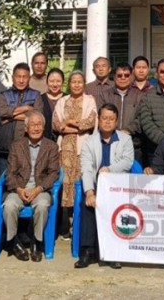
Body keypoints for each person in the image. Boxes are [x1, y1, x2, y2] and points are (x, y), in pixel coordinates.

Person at [75, 103, 135, 269]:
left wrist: (109, 169)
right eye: (104, 118)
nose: (107, 122)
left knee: (116, 209)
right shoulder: (89, 142)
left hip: (117, 187)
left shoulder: (125, 139)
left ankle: (112, 252)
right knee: (87, 206)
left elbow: (127, 162)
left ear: (116, 121)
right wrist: (89, 192)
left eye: (111, 119)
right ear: (98, 120)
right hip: (96, 186)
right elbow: (86, 168)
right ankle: (87, 251)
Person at [4, 110, 60, 262]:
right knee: (9, 206)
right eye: (33, 125)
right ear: (26, 128)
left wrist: (39, 189)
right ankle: (14, 242)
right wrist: (18, 189)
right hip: (20, 188)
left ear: (44, 126)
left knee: (42, 205)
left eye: (39, 125)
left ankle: (36, 241)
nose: (36, 128)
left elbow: (54, 173)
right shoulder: (16, 146)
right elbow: (10, 172)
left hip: (40, 189)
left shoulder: (51, 147)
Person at [52, 70, 98, 235]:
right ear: (69, 84)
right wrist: (72, 124)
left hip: (83, 149)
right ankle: (68, 225)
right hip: (64, 149)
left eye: (80, 82)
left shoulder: (89, 100)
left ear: (84, 84)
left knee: (81, 183)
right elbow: (57, 124)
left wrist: (69, 123)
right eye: (73, 82)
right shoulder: (62, 101)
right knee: (66, 185)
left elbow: (89, 122)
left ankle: (80, 225)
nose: (76, 84)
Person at [0, 62, 41, 176]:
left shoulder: (35, 95)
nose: (21, 80)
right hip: (5, 147)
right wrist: (25, 108)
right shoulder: (4, 95)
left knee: (23, 180)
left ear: (29, 78)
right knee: (3, 180)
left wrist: (10, 117)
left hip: (27, 146)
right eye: (18, 76)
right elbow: (1, 112)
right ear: (13, 78)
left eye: (24, 77)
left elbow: (37, 115)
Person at [97, 62, 145, 161]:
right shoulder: (104, 95)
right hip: (108, 143)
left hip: (133, 144)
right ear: (114, 77)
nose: (123, 78)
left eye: (126, 75)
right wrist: (114, 133)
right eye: (119, 75)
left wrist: (127, 131)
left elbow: (141, 117)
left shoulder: (140, 96)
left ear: (131, 77)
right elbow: (101, 116)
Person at [37, 67, 65, 142]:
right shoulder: (40, 99)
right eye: (51, 81)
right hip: (44, 141)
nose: (55, 84)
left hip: (64, 141)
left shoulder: (68, 98)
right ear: (47, 82)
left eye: (58, 81)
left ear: (63, 82)